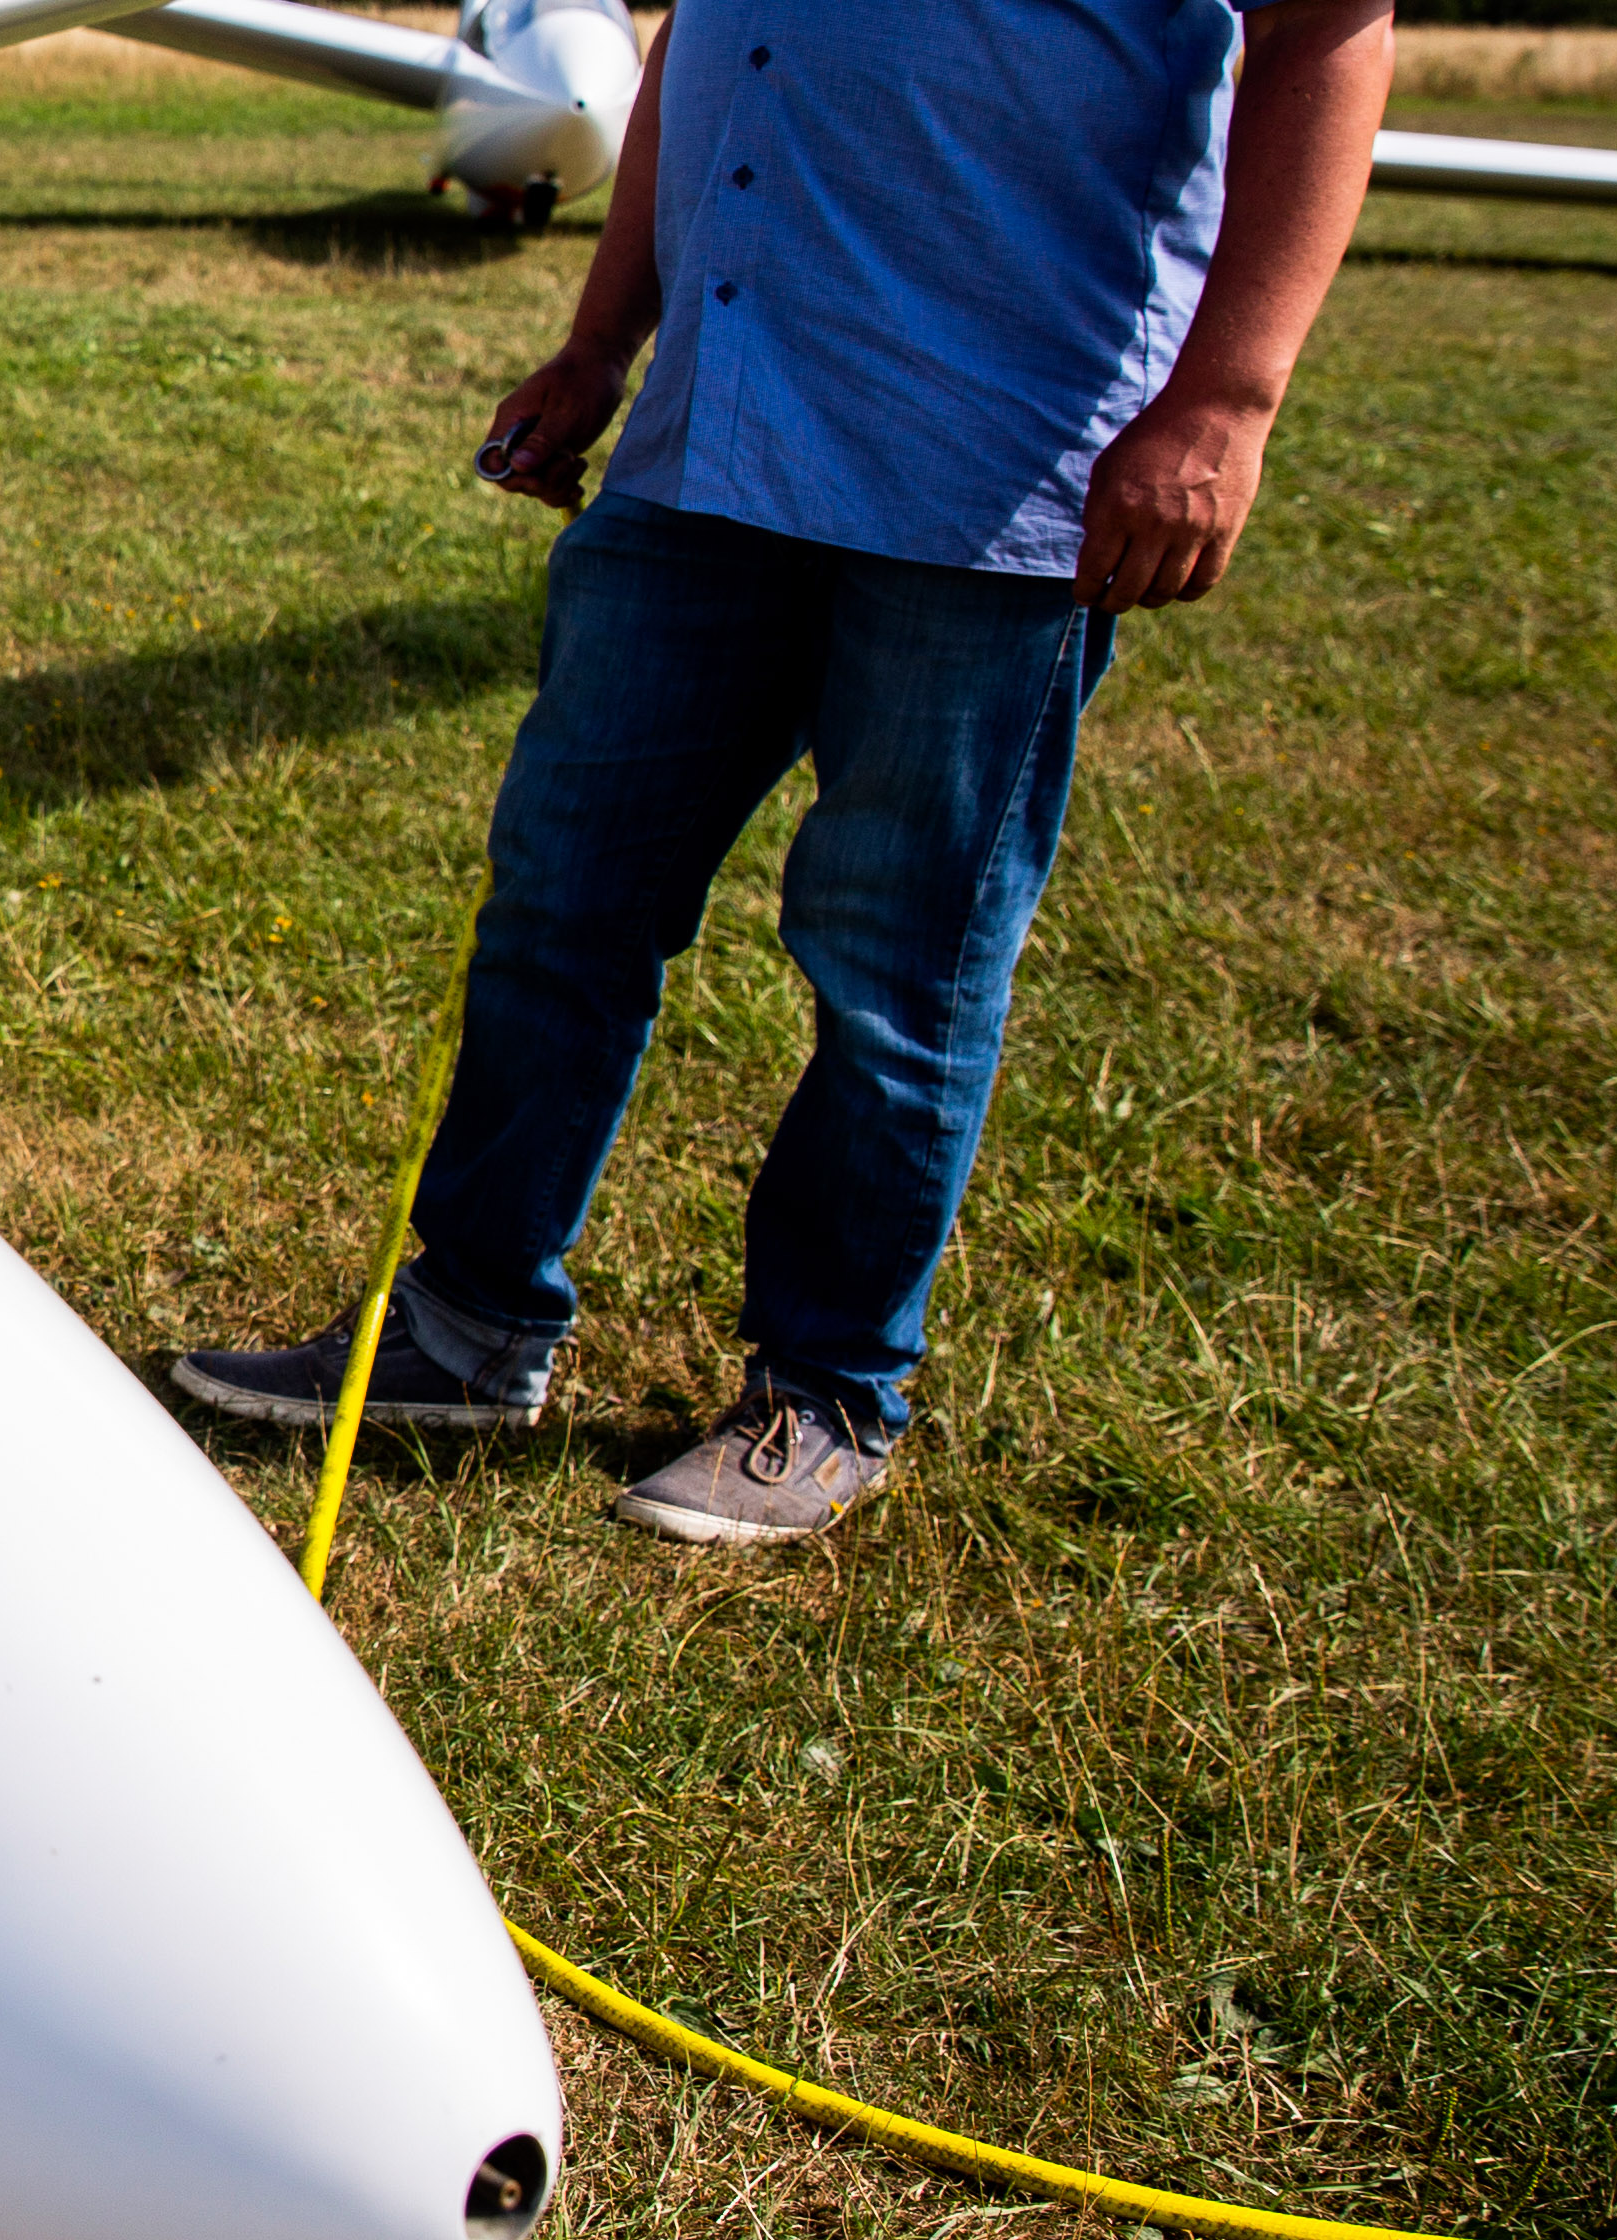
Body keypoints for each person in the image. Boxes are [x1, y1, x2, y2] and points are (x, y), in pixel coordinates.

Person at [165, 0, 1393, 1544]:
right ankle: (464, 1328)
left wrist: (1224, 400)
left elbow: (1330, 32)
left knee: (895, 963)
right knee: (560, 897)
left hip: (992, 470)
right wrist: (598, 344)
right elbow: (699, 41)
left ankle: (825, 1391)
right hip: (706, 439)